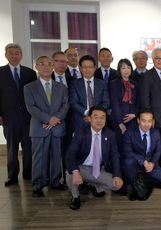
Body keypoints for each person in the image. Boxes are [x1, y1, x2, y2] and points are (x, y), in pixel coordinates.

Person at [24, 56, 69, 197]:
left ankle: (55, 182)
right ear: (36, 66)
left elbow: (65, 105)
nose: (46, 67)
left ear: (53, 66)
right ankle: (38, 185)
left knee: (57, 156)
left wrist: (56, 119)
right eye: (42, 64)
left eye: (49, 64)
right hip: (39, 127)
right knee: (39, 157)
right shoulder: (29, 87)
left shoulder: (61, 87)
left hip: (57, 127)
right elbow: (31, 108)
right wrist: (49, 119)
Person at [66, 106, 123, 210]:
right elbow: (71, 154)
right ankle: (75, 197)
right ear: (89, 118)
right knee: (70, 173)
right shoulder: (81, 133)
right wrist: (75, 171)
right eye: (95, 117)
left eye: (103, 117)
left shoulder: (110, 135)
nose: (99, 120)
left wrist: (117, 175)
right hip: (82, 167)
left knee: (117, 184)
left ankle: (94, 186)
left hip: (98, 169)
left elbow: (115, 156)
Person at [0, 43, 37, 186]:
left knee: (28, 148)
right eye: (11, 53)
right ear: (6, 55)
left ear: (21, 55)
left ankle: (28, 174)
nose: (14, 55)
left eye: (17, 53)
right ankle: (12, 176)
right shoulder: (1, 72)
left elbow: (35, 95)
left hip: (28, 118)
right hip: (9, 117)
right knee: (11, 148)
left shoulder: (30, 73)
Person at [122, 110, 161, 196]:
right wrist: (143, 161)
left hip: (150, 164)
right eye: (143, 121)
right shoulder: (129, 132)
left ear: (153, 121)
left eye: (149, 121)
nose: (146, 124)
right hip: (135, 164)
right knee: (128, 162)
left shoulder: (155, 132)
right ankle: (136, 181)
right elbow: (128, 152)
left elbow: (158, 150)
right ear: (138, 120)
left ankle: (145, 180)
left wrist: (152, 163)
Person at [140, 47, 161, 171]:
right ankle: (154, 168)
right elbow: (145, 99)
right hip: (154, 119)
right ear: (152, 59)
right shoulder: (147, 76)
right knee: (155, 146)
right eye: (157, 58)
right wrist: (150, 118)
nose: (160, 60)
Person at [51, 51, 76, 182]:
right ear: (53, 62)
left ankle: (67, 177)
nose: (63, 64)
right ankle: (54, 179)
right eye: (59, 61)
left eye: (65, 62)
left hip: (70, 121)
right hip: (53, 121)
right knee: (54, 151)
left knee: (68, 150)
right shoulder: (47, 78)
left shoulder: (72, 80)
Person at [69, 55, 110, 130]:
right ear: (80, 68)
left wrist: (94, 115)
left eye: (90, 67)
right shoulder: (75, 83)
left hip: (99, 121)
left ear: (94, 68)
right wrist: (87, 113)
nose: (88, 69)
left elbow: (106, 102)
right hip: (81, 120)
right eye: (85, 67)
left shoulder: (102, 83)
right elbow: (73, 102)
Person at [109, 58, 138, 152]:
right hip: (118, 121)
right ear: (119, 70)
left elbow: (139, 102)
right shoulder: (113, 84)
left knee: (131, 147)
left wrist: (135, 114)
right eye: (123, 68)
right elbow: (114, 104)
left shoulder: (136, 84)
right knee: (119, 147)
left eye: (128, 67)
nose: (126, 70)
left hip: (132, 120)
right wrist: (120, 123)